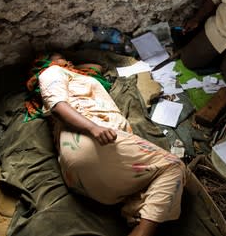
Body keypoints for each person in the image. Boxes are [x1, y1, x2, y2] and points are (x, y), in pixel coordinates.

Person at [26, 52, 186, 236]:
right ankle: (144, 232)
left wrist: (70, 65)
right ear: (45, 63)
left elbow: (97, 67)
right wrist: (93, 128)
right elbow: (58, 106)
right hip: (90, 140)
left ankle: (137, 216)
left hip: (92, 181)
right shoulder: (51, 72)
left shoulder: (72, 75)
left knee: (145, 186)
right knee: (173, 166)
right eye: (61, 57)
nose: (69, 61)